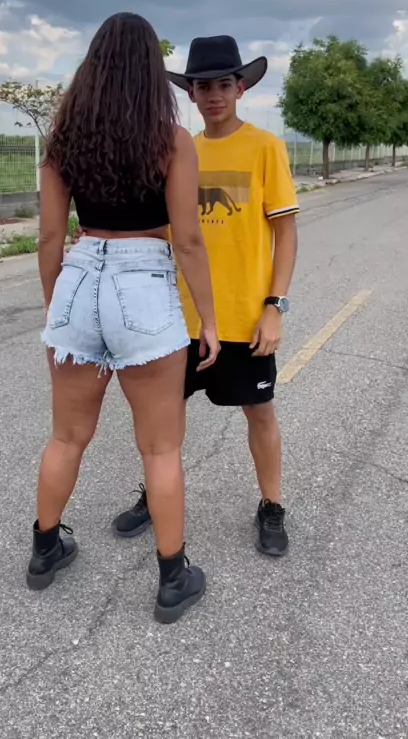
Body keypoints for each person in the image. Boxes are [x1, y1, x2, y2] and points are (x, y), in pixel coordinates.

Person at [27, 13, 220, 625]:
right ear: (150, 71)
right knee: (160, 447)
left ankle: (44, 549)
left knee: (66, 436)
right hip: (143, 283)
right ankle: (173, 578)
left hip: (79, 275)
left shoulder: (63, 139)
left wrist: (56, 305)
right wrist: (208, 319)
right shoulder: (172, 140)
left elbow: (50, 236)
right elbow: (187, 239)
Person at [112, 35, 299, 557]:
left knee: (259, 411)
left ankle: (271, 505)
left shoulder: (265, 147)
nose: (214, 95)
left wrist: (274, 307)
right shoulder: (180, 149)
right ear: (190, 93)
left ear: (241, 88)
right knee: (163, 416)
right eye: (203, 86)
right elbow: (166, 229)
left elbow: (285, 234)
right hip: (179, 317)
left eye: (223, 85)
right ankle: (155, 495)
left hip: (243, 316)